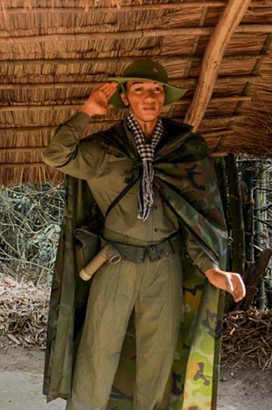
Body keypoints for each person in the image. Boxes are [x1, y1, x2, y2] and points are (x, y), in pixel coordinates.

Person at [42, 59, 246, 410]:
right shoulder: (105, 149)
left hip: (163, 267)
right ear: (125, 96)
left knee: (158, 360)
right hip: (115, 265)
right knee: (97, 356)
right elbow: (56, 155)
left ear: (164, 97)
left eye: (156, 90)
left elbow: (194, 219)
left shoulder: (183, 149)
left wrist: (211, 268)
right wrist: (86, 112)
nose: (148, 97)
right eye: (138, 89)